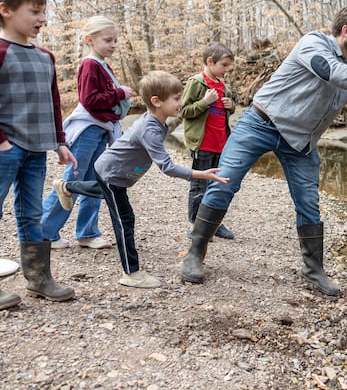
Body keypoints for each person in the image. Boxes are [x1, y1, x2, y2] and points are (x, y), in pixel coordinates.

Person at [180, 6, 347, 296]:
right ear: (346, 31)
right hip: (260, 123)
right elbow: (330, 71)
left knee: (309, 202)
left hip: (299, 142)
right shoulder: (313, 43)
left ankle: (313, 271)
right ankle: (195, 255)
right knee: (224, 183)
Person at [52, 70, 229, 288]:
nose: (181, 102)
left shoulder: (159, 121)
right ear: (157, 101)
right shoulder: (150, 129)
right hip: (111, 174)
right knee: (125, 220)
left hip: (111, 173)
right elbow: (167, 167)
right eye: (176, 98)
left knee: (104, 193)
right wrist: (201, 174)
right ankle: (131, 272)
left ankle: (67, 187)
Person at [0, 0, 77, 310]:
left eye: (44, 12)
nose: (42, 19)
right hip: (5, 149)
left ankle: (38, 278)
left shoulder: (45, 56)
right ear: (5, 10)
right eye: (34, 12)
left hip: (36, 149)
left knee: (31, 213)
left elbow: (53, 101)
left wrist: (59, 141)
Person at [42, 16, 133, 250]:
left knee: (95, 180)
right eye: (107, 40)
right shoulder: (90, 64)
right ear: (89, 40)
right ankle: (45, 232)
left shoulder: (102, 64)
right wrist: (120, 94)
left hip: (101, 130)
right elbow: (90, 100)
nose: (113, 45)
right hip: (88, 130)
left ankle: (87, 232)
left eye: (115, 40)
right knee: (71, 180)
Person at [180, 42, 236, 240]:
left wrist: (231, 106)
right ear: (210, 61)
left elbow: (226, 111)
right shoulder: (196, 83)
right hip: (202, 143)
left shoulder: (223, 85)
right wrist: (205, 102)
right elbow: (183, 111)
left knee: (218, 185)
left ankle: (213, 223)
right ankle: (195, 225)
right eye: (224, 65)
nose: (226, 70)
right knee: (199, 185)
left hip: (221, 144)